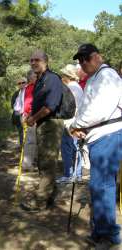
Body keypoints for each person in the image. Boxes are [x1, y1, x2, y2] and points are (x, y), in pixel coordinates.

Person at [70, 44, 122, 248]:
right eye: (80, 59)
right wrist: (79, 127)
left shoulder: (107, 75)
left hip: (108, 135)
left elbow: (99, 110)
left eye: (86, 58)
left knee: (102, 186)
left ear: (98, 57)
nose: (83, 62)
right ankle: (100, 232)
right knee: (98, 185)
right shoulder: (94, 78)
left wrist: (76, 125)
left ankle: (108, 236)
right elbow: (86, 109)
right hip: (98, 135)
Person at [20, 50, 63, 211]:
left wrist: (33, 118)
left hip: (51, 124)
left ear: (46, 60)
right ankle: (50, 196)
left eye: (36, 60)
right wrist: (30, 115)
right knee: (44, 162)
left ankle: (40, 201)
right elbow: (39, 104)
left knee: (47, 163)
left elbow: (51, 106)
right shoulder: (40, 80)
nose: (33, 63)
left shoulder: (52, 79)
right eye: (31, 60)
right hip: (43, 124)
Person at [56, 64, 83, 184]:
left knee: (67, 148)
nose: (62, 77)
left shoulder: (70, 88)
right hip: (77, 121)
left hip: (69, 122)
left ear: (67, 76)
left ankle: (68, 174)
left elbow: (67, 107)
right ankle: (77, 174)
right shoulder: (77, 87)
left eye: (63, 75)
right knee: (76, 148)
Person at [11, 77, 27, 146]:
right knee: (20, 131)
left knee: (27, 132)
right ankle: (22, 146)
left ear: (26, 83)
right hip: (17, 114)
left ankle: (27, 147)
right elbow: (12, 104)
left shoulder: (28, 91)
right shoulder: (16, 93)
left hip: (26, 114)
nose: (21, 84)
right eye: (19, 83)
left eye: (23, 82)